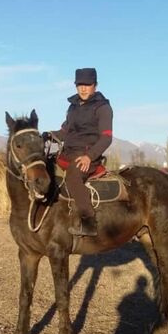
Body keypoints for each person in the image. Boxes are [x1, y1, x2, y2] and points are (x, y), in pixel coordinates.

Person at [46, 67, 113, 236]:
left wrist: (89, 157)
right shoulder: (73, 108)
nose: (83, 88)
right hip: (68, 153)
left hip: (88, 157)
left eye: (87, 84)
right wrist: (48, 135)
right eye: (79, 84)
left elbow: (106, 138)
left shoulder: (103, 108)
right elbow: (64, 132)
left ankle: (89, 221)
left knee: (73, 177)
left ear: (95, 86)